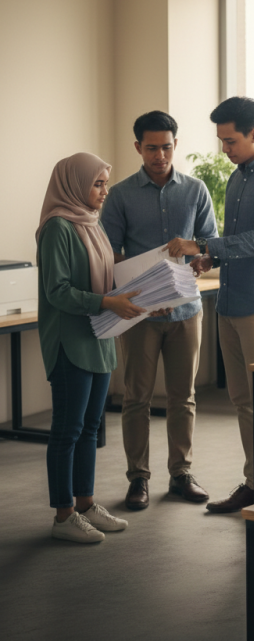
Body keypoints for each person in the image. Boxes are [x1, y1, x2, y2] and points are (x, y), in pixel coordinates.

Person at [168, 96, 254, 513]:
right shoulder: (237, 178)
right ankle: (253, 483)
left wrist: (204, 243)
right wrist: (213, 258)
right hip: (230, 301)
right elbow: (240, 242)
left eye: (230, 141)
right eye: (222, 141)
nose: (224, 149)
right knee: (243, 401)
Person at [101, 111, 218, 511]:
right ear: (138, 147)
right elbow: (109, 256)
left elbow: (210, 245)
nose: (160, 155)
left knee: (183, 396)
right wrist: (134, 295)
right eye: (151, 147)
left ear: (175, 145)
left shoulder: (196, 190)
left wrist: (203, 259)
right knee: (136, 397)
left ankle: (181, 473)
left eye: (166, 146)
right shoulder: (119, 195)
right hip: (138, 314)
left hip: (186, 310)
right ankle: (138, 478)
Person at [37, 152, 144, 543]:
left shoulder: (92, 224)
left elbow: (107, 280)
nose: (104, 192)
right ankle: (63, 515)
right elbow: (58, 291)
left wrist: (144, 294)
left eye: (105, 184)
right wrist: (106, 303)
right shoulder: (58, 228)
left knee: (92, 429)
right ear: (74, 183)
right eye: (97, 183)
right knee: (68, 429)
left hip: (99, 338)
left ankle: (84, 503)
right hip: (71, 342)